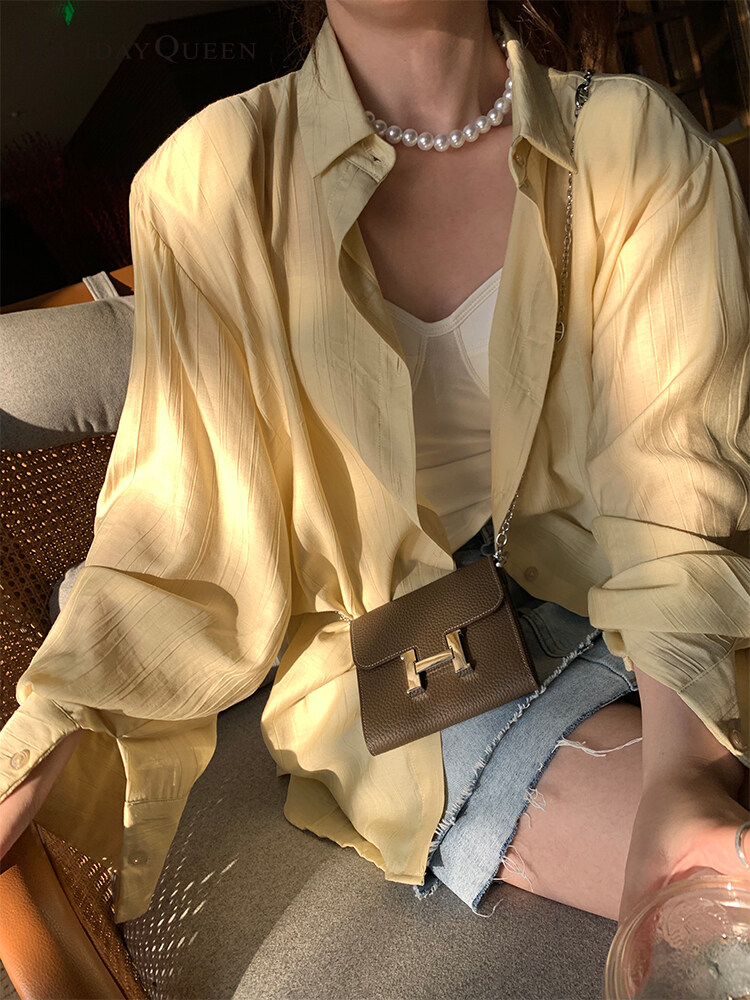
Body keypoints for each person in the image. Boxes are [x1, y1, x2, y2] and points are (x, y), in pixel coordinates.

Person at [1, 0, 749, 931]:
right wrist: (32, 749)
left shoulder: (638, 142)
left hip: (648, 588)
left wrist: (683, 769)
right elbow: (178, 528)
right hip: (396, 652)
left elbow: (680, 490)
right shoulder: (210, 180)